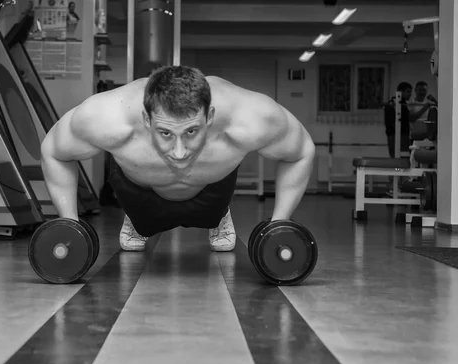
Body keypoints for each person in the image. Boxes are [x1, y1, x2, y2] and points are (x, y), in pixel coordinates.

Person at [41, 66, 316, 252]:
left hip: (213, 192)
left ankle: (219, 219)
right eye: (165, 133)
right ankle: (136, 223)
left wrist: (279, 223)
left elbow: (301, 150)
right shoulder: (106, 118)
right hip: (139, 193)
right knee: (142, 220)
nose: (180, 152)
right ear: (146, 119)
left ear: (210, 117)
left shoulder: (250, 118)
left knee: (212, 208)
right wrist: (70, 224)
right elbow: (54, 150)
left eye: (192, 131)